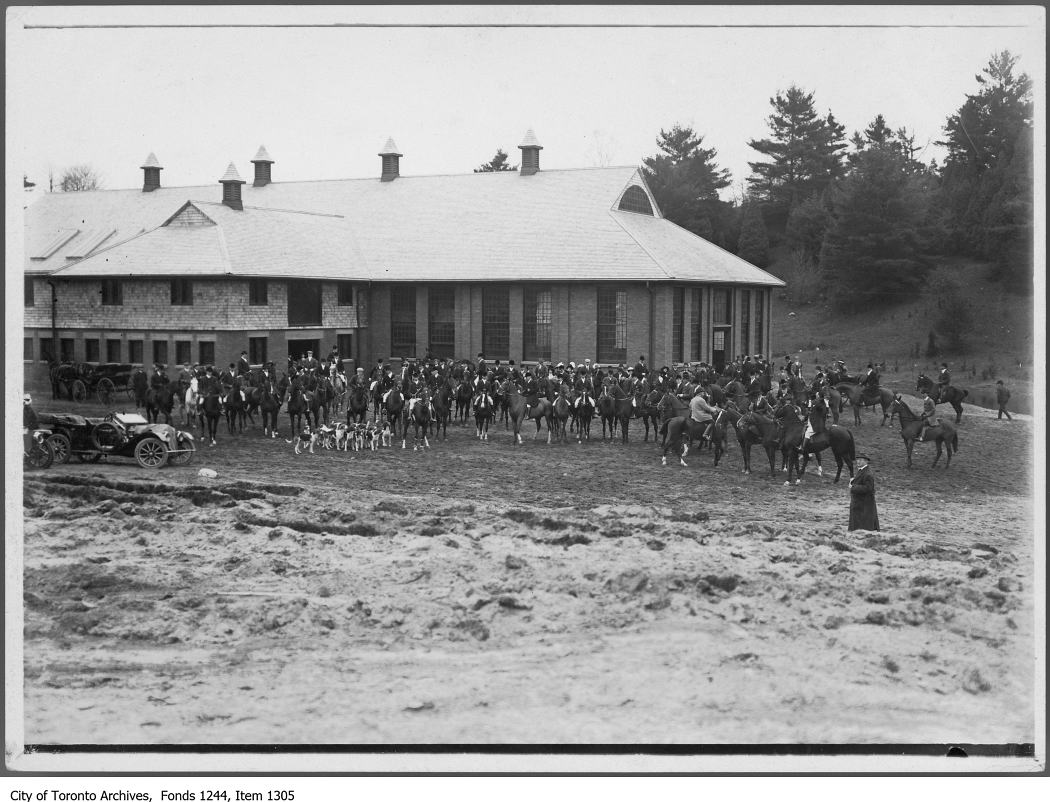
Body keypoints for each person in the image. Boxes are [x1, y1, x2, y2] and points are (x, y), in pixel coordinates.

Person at [848, 454, 880, 531]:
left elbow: (868, 488)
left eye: (861, 460)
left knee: (863, 526)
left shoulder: (867, 473)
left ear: (866, 461)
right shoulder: (862, 470)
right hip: (861, 503)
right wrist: (853, 482)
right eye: (857, 459)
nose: (858, 461)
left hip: (864, 503)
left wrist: (853, 487)